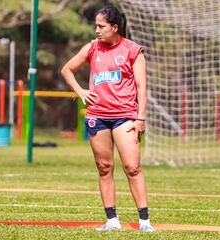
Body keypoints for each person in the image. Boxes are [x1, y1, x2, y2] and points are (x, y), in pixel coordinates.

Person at [61, 6, 154, 232]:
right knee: (104, 167)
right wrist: (80, 91)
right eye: (96, 25)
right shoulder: (92, 48)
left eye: (101, 26)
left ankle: (144, 222)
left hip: (125, 117)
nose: (97, 30)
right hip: (97, 117)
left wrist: (140, 118)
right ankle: (112, 220)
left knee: (132, 167)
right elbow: (66, 69)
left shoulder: (133, 50)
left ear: (114, 27)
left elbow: (142, 87)